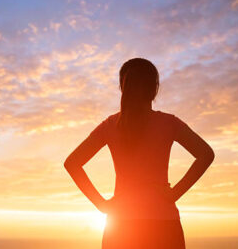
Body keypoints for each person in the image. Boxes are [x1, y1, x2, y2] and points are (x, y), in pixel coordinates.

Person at [63, 58, 215, 248]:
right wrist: (174, 193)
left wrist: (101, 204)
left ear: (122, 87)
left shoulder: (110, 126)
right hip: (163, 224)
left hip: (120, 226)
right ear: (154, 89)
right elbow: (206, 154)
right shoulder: (169, 123)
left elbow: (72, 163)